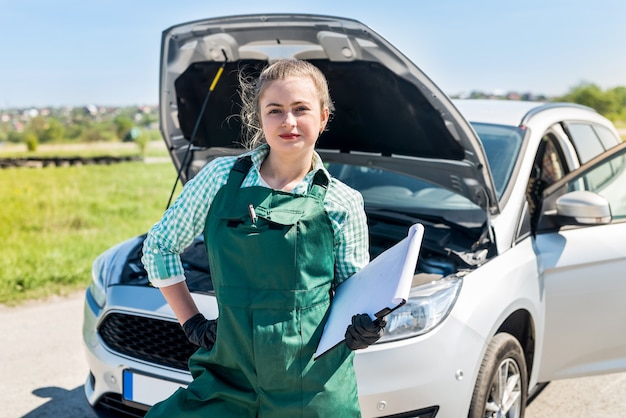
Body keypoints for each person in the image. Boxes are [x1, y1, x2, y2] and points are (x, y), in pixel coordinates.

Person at [141, 58, 385, 417]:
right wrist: (192, 322)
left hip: (313, 386)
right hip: (228, 379)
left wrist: (365, 328)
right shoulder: (220, 179)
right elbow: (159, 247)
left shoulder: (342, 201)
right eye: (275, 110)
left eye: (301, 109)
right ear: (260, 118)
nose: (288, 121)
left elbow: (354, 294)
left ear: (323, 117)